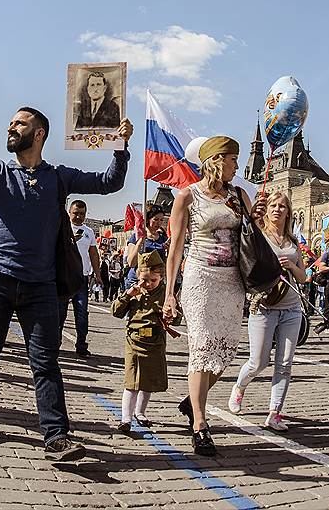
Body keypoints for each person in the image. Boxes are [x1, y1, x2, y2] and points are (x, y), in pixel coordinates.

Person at [0, 77, 132, 460]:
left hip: (41, 287)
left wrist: (120, 146)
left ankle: (56, 435)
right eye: (10, 124)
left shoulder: (59, 177)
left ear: (39, 132)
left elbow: (110, 182)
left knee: (46, 363)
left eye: (18, 124)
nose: (10, 129)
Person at [163, 136, 266, 457]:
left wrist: (257, 217)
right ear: (217, 160)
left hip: (232, 281)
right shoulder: (187, 197)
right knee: (203, 348)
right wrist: (170, 293)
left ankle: (192, 399)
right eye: (233, 160)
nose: (237, 166)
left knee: (227, 351)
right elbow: (175, 248)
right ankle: (199, 424)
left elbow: (253, 237)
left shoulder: (238, 195)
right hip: (200, 280)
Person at [228, 192, 305, 431]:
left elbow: (303, 278)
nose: (277, 210)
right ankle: (239, 387)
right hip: (263, 306)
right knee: (258, 362)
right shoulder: (259, 236)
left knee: (284, 363)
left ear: (288, 213)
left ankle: (275, 412)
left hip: (292, 308)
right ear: (267, 209)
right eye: (273, 205)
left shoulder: (293, 242)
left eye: (282, 206)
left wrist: (292, 265)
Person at [112, 251, 180, 432]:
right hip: (134, 341)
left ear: (162, 278)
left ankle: (140, 413)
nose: (148, 284)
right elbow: (116, 311)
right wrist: (127, 295)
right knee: (132, 382)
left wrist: (170, 314)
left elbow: (178, 317)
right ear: (137, 276)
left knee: (148, 381)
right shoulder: (134, 292)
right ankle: (126, 419)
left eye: (153, 280)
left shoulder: (166, 294)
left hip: (155, 342)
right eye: (144, 280)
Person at [58, 199, 101, 357]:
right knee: (60, 312)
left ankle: (81, 345)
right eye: (75, 213)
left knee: (82, 313)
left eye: (82, 214)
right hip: (63, 278)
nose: (78, 217)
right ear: (69, 212)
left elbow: (93, 254)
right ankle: (55, 343)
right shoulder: (61, 228)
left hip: (81, 279)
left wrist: (97, 274)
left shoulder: (88, 232)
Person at [124, 205, 168, 288]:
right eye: (155, 219)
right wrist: (140, 242)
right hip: (137, 280)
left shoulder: (163, 238)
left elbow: (166, 263)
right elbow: (131, 263)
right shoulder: (135, 237)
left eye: (161, 220)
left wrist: (169, 250)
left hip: (154, 282)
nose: (159, 223)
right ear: (148, 219)